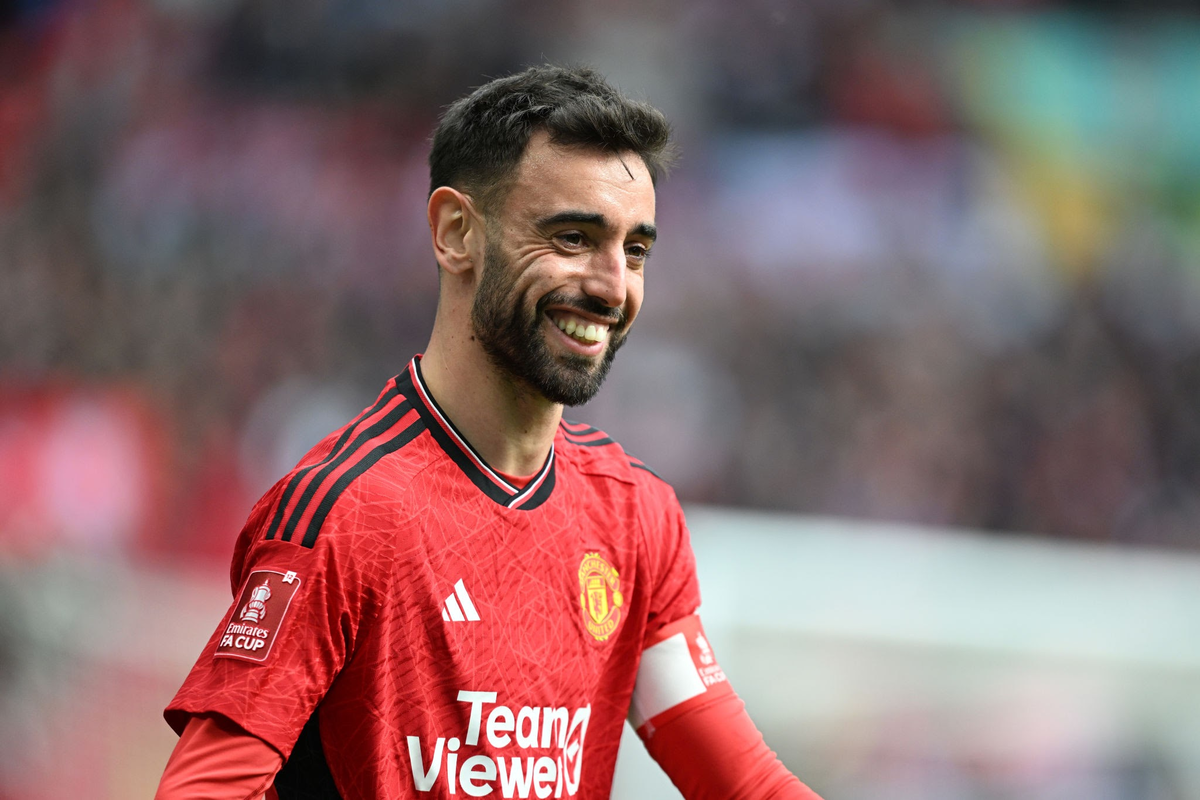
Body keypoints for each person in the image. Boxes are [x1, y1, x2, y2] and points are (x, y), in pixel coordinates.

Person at [156, 65, 823, 800]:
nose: (612, 287)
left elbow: (743, 784)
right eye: (573, 237)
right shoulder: (349, 516)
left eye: (635, 251)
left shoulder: (635, 517)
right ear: (457, 233)